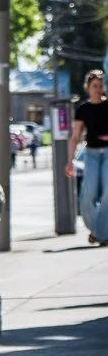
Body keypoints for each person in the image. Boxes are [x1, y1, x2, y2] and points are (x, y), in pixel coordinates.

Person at [67, 69, 108, 244]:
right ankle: (98, 229)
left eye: (101, 86)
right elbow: (75, 136)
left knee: (107, 192)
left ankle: (101, 233)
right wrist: (70, 161)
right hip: (90, 154)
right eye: (95, 86)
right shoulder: (83, 109)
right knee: (88, 194)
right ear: (88, 88)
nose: (98, 89)